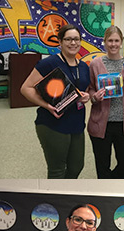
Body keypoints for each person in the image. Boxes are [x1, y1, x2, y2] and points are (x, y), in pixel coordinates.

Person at [21, 24, 91, 179]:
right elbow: (26, 88)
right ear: (60, 41)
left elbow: (82, 90)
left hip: (77, 122)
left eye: (76, 39)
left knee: (76, 167)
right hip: (52, 123)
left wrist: (86, 97)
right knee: (57, 170)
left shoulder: (84, 66)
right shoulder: (49, 63)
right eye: (68, 39)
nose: (73, 43)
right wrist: (47, 105)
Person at [87, 26, 124, 179]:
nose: (113, 44)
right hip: (101, 123)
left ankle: (108, 183)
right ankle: (105, 186)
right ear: (104, 42)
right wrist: (95, 96)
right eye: (110, 40)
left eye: (116, 40)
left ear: (121, 42)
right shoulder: (95, 64)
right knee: (102, 166)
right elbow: (90, 89)